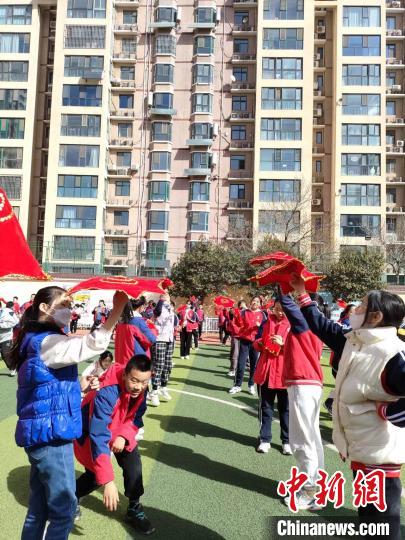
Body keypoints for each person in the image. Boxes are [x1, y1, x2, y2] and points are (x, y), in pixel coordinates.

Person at [10, 286, 128, 540]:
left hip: (42, 433)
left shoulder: (36, 338)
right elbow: (92, 344)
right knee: (64, 511)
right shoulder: (48, 341)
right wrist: (117, 308)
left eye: (70, 304)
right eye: (63, 304)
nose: (69, 309)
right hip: (52, 436)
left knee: (39, 510)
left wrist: (82, 386)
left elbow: (47, 386)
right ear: (44, 307)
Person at [290, 279, 405, 538]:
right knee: (369, 523)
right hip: (363, 455)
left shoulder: (392, 354)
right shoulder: (357, 343)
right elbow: (324, 328)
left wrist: (389, 413)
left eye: (362, 306)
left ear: (376, 316)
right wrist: (302, 295)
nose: (355, 310)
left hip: (381, 460)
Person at [75, 356, 154, 535]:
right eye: (134, 380)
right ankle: (71, 497)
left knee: (134, 467)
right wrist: (108, 481)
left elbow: (136, 417)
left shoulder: (142, 387)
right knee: (96, 475)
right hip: (88, 433)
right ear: (125, 375)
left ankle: (134, 508)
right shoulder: (107, 391)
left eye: (144, 382)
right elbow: (98, 434)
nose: (138, 387)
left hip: (119, 430)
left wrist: (124, 436)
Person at [277, 289, 324, 511]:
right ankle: (316, 489)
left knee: (302, 441)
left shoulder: (305, 324)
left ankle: (308, 492)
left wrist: (282, 280)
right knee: (312, 440)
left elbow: (287, 304)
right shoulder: (315, 327)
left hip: (303, 385)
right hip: (310, 385)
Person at [253, 301, 291, 455]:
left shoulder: (294, 324)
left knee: (286, 410)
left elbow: (299, 348)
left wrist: (283, 344)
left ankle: (287, 441)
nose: (279, 312)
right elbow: (256, 341)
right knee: (266, 408)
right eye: (277, 309)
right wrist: (261, 343)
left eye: (283, 310)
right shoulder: (266, 321)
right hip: (266, 372)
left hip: (285, 374)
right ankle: (265, 439)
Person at [229, 297, 266, 396]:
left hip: (256, 342)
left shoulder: (263, 314)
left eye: (258, 302)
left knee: (254, 365)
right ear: (250, 302)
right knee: (241, 363)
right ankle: (237, 385)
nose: (255, 303)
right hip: (244, 340)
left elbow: (267, 327)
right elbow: (236, 323)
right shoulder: (244, 312)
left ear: (260, 304)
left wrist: (260, 327)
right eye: (254, 301)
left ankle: (251, 384)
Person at [149, 293, 176, 407]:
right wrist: (161, 300)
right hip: (160, 338)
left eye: (168, 294)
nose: (167, 296)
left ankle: (163, 386)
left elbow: (173, 322)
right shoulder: (159, 307)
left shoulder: (170, 307)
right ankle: (154, 391)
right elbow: (156, 313)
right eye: (164, 294)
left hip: (170, 339)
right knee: (158, 365)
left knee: (168, 365)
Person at [227, 300, 246, 378]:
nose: (242, 307)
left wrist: (246, 308)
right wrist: (230, 309)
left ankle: (242, 369)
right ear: (238, 306)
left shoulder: (247, 312)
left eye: (244, 305)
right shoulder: (235, 312)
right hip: (236, 335)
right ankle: (233, 369)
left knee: (244, 354)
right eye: (241, 306)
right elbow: (230, 313)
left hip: (244, 336)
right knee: (235, 353)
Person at [0, 300, 19, 376]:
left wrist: (1, 325)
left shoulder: (8, 312)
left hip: (5, 337)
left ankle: (12, 368)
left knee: (5, 354)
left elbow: (15, 322)